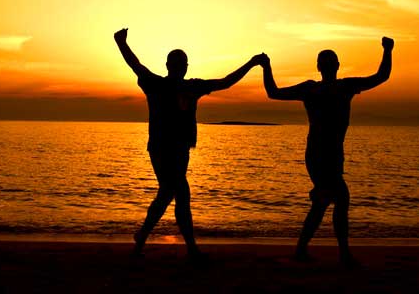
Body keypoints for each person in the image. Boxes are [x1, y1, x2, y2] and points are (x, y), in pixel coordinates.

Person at [114, 28, 265, 259]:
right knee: (180, 193)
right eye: (177, 63)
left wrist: (251, 63)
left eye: (183, 63)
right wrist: (121, 43)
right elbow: (135, 64)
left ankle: (143, 236)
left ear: (185, 67)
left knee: (166, 194)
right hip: (161, 149)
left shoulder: (191, 86)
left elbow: (226, 82)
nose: (180, 67)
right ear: (169, 65)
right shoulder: (156, 84)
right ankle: (191, 248)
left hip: (181, 148)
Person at [259, 37, 394, 267]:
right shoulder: (319, 88)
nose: (329, 65)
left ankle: (303, 251)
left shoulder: (339, 87)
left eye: (329, 62)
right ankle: (342, 255)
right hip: (319, 155)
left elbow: (380, 77)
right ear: (328, 66)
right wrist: (388, 50)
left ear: (325, 66)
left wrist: (388, 51)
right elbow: (274, 93)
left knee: (322, 203)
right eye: (328, 62)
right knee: (340, 198)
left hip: (327, 155)